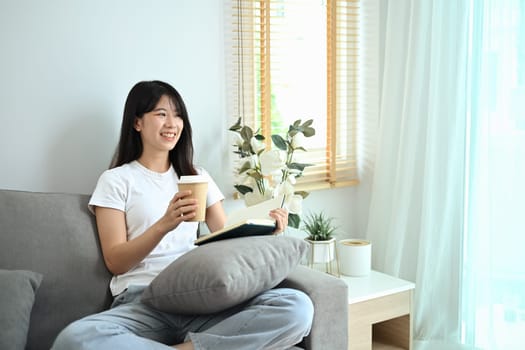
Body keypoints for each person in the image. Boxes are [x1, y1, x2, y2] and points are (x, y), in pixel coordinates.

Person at [51, 80, 314, 350]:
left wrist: (267, 230)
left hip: (200, 297)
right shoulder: (116, 180)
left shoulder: (197, 177)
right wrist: (164, 224)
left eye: (178, 115)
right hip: (144, 301)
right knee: (76, 338)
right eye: (161, 114)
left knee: (296, 306)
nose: (172, 123)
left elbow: (226, 237)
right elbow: (116, 262)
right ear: (137, 122)